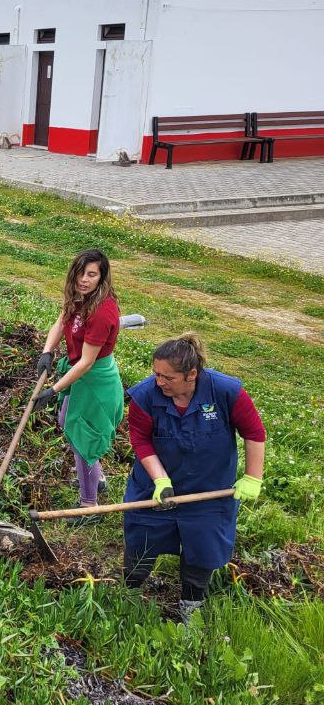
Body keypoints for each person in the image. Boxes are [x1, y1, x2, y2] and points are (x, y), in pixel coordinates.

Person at [122, 334, 266, 622]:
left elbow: (254, 433)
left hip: (209, 490)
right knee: (141, 538)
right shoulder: (144, 397)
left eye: (168, 377)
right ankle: (129, 594)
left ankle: (190, 606)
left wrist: (253, 477)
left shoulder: (226, 391)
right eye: (156, 374)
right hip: (154, 487)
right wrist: (161, 480)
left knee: (202, 548)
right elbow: (140, 440)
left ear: (191, 374)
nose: (159, 382)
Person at [33, 249, 122, 517]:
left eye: (92, 275)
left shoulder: (102, 312)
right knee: (65, 422)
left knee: (83, 438)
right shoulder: (78, 297)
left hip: (95, 380)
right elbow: (61, 322)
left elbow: (86, 362)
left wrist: (53, 389)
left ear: (102, 277)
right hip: (79, 372)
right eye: (80, 274)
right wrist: (48, 350)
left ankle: (88, 505)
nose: (84, 280)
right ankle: (98, 477)